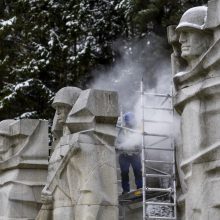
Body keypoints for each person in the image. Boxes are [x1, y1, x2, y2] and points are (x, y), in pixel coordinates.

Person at [116, 112, 142, 194]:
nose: (130, 124)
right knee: (124, 173)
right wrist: (119, 146)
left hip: (135, 154)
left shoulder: (137, 129)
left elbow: (141, 140)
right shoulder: (121, 129)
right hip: (124, 154)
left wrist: (138, 146)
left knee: (138, 172)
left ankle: (139, 189)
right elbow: (115, 140)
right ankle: (125, 190)